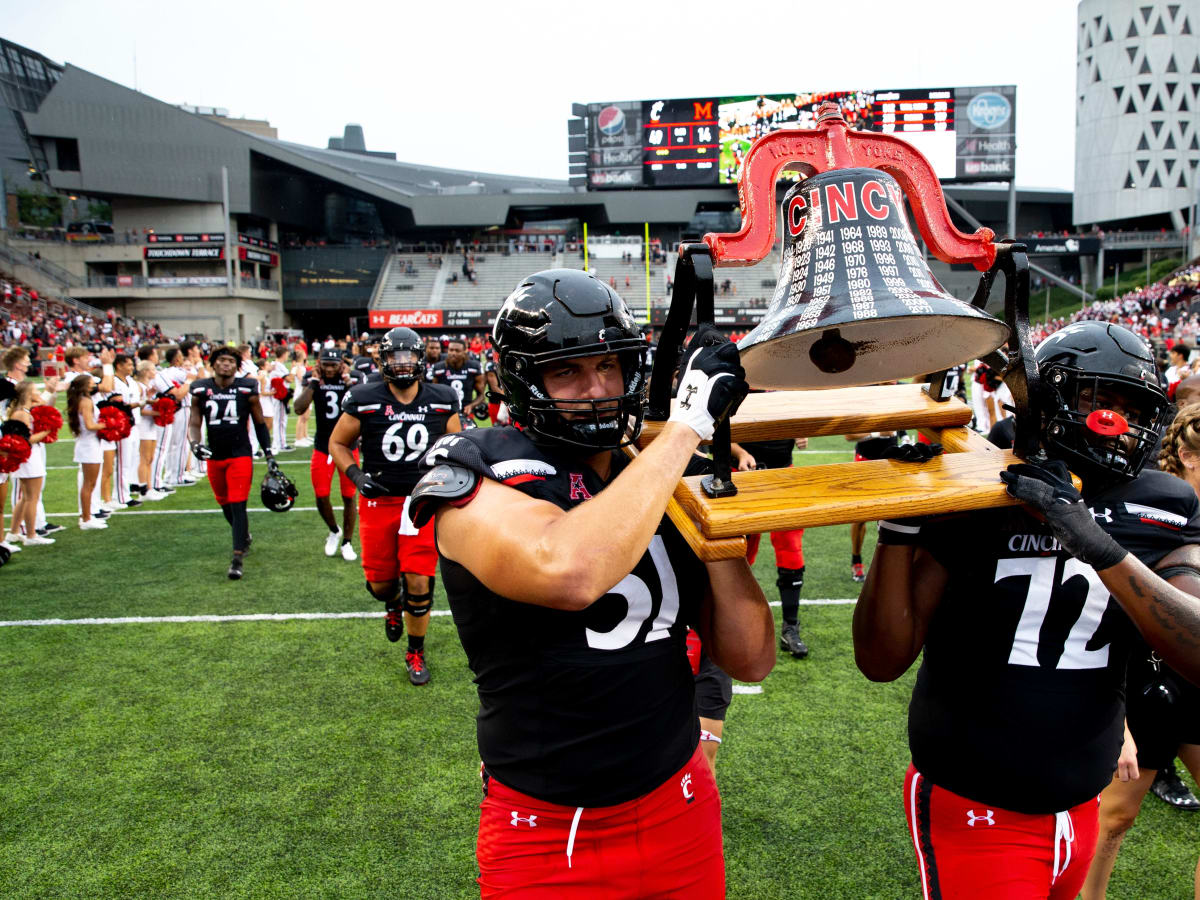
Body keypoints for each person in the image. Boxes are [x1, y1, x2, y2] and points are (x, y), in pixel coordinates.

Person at [407, 269, 774, 897]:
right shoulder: (474, 465)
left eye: (608, 366)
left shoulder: (650, 469)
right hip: (547, 831)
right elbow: (567, 569)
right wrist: (685, 429)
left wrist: (701, 498)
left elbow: (750, 657)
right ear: (525, 383)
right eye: (567, 373)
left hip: (678, 800)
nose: (597, 390)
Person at [854, 321, 1200, 900]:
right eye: (1098, 399)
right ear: (1049, 398)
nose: (1117, 421)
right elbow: (882, 659)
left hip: (1081, 805)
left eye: (1130, 406)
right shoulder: (982, 482)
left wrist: (1097, 545)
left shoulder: (1162, 502)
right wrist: (901, 522)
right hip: (977, 801)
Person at [1081, 402, 1200, 898]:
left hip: (1196, 678)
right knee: (1116, 816)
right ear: (1191, 457)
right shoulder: (1151, 506)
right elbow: (1107, 613)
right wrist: (1119, 721)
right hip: (1145, 678)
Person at [329, 326, 461, 685]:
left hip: (421, 500)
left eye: (408, 357)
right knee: (381, 585)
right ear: (383, 360)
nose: (402, 364)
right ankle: (391, 602)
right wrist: (356, 477)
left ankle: (415, 650)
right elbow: (338, 443)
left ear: (420, 358)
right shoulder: (364, 397)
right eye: (394, 357)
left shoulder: (443, 398)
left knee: (420, 580)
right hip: (379, 500)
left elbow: (454, 445)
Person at [187, 345, 278, 579]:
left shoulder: (247, 388)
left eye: (230, 361)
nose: (226, 364)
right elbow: (195, 422)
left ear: (236, 366)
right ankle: (244, 536)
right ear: (213, 363)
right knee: (224, 503)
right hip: (215, 455)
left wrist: (268, 453)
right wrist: (195, 444)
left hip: (240, 454)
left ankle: (237, 557)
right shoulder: (200, 388)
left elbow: (259, 423)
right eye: (222, 360)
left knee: (238, 505)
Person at [733, 435, 809, 658]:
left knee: (791, 549)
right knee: (737, 554)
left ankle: (790, 628)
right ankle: (732, 622)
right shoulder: (739, 397)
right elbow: (711, 426)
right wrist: (740, 453)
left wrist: (799, 431)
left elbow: (795, 412)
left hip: (782, 473)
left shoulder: (787, 397)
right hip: (742, 476)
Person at [293, 347, 358, 561]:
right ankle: (333, 529)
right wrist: (313, 383)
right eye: (326, 364)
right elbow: (298, 408)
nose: (330, 369)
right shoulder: (312, 380)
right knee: (321, 496)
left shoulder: (353, 379)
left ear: (341, 364)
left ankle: (347, 542)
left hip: (348, 446)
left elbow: (362, 405)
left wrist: (350, 383)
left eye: (334, 364)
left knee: (349, 496)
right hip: (323, 446)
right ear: (319, 364)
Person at [5, 382, 52, 545]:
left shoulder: (23, 411)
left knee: (25, 498)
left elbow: (43, 403)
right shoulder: (22, 414)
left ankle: (13, 532)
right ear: (27, 395)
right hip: (29, 458)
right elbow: (27, 439)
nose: (38, 393)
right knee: (32, 498)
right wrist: (47, 431)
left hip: (29, 457)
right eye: (35, 391)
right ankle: (31, 535)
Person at [68, 374, 108, 530]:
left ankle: (87, 516)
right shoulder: (85, 401)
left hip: (89, 444)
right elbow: (90, 425)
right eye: (92, 383)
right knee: (89, 484)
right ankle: (86, 519)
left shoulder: (82, 400)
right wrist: (108, 424)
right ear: (85, 385)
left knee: (90, 484)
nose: (94, 385)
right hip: (89, 445)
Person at [430, 337, 485, 419]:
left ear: (465, 351)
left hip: (466, 413)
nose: (453, 353)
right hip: (445, 414)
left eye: (457, 351)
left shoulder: (473, 367)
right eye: (451, 350)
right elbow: (434, 394)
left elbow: (481, 395)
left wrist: (471, 406)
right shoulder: (439, 368)